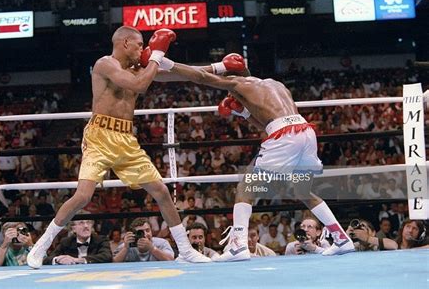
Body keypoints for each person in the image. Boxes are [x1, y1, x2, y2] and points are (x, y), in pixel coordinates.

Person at [27, 26, 210, 268]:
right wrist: (155, 56)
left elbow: (177, 73)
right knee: (82, 196)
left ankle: (185, 250)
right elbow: (139, 86)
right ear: (125, 43)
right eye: (139, 45)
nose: (143, 49)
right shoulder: (105, 64)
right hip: (99, 137)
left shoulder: (141, 68)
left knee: (162, 192)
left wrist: (218, 69)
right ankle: (40, 247)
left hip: (126, 138)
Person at [159, 54, 355, 260]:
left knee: (246, 187)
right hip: (304, 132)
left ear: (230, 74)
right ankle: (341, 238)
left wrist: (168, 63)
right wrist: (243, 113)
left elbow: (199, 76)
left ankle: (238, 246)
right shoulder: (275, 84)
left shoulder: (237, 83)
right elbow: (270, 124)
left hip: (285, 137)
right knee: (303, 190)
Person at [44, 219, 112, 265]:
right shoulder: (66, 242)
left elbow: (107, 256)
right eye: (81, 223)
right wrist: (58, 259)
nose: (86, 226)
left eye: (88, 222)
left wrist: (78, 260)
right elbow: (48, 259)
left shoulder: (101, 240)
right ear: (74, 229)